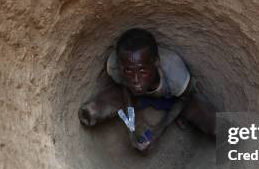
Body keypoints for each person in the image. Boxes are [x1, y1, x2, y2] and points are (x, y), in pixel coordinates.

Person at [78, 28, 216, 153]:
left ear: (156, 62)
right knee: (95, 109)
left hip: (172, 97)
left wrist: (158, 132)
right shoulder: (115, 67)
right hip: (137, 97)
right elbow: (125, 88)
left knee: (215, 124)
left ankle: (184, 117)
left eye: (142, 71)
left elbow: (184, 98)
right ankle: (93, 111)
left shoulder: (175, 72)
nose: (135, 79)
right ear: (120, 66)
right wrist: (131, 131)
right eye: (128, 71)